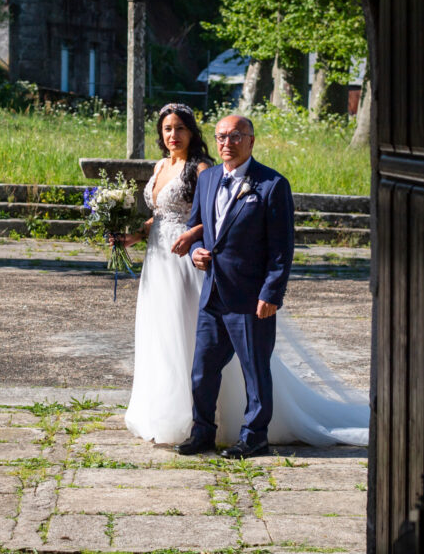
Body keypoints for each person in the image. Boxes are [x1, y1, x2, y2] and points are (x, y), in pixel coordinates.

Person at [120, 108, 370, 454]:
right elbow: (198, 226)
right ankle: (202, 432)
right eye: (222, 136)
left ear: (250, 141)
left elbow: (282, 248)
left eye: (236, 136)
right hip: (212, 293)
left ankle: (254, 437)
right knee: (202, 370)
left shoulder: (272, 185)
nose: (228, 143)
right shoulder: (207, 180)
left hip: (250, 296)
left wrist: (272, 293)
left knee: (255, 370)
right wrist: (197, 251)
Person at [116, 103, 212, 444]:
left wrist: (194, 233)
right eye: (167, 129)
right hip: (157, 260)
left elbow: (218, 215)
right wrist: (134, 234)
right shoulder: (161, 165)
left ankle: (195, 416)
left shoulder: (201, 168)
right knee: (158, 331)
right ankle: (160, 408)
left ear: (192, 132)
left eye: (180, 128)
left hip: (185, 260)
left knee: (183, 331)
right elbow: (160, 215)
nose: (173, 135)